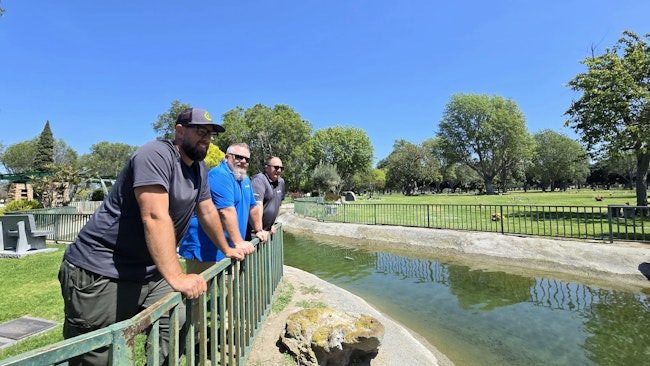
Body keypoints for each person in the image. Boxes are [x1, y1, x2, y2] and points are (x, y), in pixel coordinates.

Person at [58, 107, 253, 366]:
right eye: (199, 131)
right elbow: (154, 216)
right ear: (179, 131)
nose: (206, 138)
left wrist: (230, 247)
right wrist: (176, 276)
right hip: (100, 270)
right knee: (96, 354)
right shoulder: (155, 155)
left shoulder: (199, 169)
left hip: (148, 272)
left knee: (175, 322)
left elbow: (207, 212)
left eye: (209, 134)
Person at [179, 142, 267, 275]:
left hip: (231, 248)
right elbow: (225, 211)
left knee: (231, 291)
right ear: (227, 157)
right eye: (238, 157)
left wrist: (259, 230)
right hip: (204, 250)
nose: (243, 161)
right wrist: (238, 242)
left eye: (247, 159)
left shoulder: (244, 179)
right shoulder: (219, 175)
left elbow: (253, 207)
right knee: (200, 293)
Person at [247, 156, 286, 238]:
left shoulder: (281, 182)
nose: (278, 170)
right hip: (255, 233)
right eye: (276, 167)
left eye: (281, 168)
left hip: (266, 231)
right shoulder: (259, 180)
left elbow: (278, 204)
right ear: (266, 167)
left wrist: (273, 223)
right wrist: (259, 230)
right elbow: (257, 205)